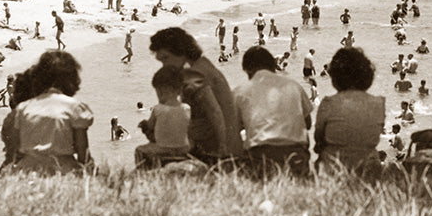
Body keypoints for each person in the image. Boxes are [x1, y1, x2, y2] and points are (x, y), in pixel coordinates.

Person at [149, 27, 244, 163]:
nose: (164, 66)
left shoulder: (192, 75)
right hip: (232, 146)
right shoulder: (204, 64)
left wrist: (222, 149)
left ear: (180, 51)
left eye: (166, 58)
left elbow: (215, 112)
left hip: (215, 151)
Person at [0, 50, 94, 175]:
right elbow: (84, 155)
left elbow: (15, 152)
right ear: (71, 78)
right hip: (62, 170)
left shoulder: (23, 108)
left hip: (27, 171)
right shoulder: (74, 107)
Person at [234, 46, 313, 178]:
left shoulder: (239, 92)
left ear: (247, 70)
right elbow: (308, 123)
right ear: (273, 66)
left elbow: (232, 131)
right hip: (296, 156)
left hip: (260, 158)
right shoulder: (294, 85)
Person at [314, 47, 385, 175]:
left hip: (334, 166)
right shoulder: (379, 103)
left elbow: (318, 139)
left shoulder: (328, 103)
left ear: (335, 77)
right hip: (369, 167)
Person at [134, 65, 192, 169]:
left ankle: (143, 173)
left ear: (160, 91)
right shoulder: (187, 108)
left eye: (159, 93)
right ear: (179, 90)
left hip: (163, 149)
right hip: (184, 149)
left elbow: (150, 127)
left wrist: (144, 125)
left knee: (140, 150)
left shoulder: (158, 109)